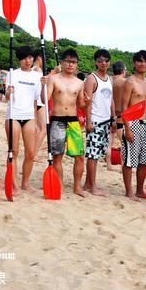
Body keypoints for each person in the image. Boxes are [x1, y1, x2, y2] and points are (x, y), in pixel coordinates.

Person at [47, 48, 88, 196]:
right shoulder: (54, 79)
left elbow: (81, 104)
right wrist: (44, 83)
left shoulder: (79, 82)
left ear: (76, 64)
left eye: (73, 62)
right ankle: (59, 186)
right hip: (57, 119)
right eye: (68, 61)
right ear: (62, 62)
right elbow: (45, 99)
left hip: (73, 121)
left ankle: (77, 187)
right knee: (58, 155)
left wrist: (87, 103)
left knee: (79, 156)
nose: (70, 65)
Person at [121, 50, 146, 200]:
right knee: (130, 160)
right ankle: (128, 191)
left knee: (144, 160)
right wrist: (127, 128)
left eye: (145, 61)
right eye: (139, 61)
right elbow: (124, 107)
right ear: (134, 63)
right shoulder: (130, 82)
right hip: (132, 123)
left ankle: (139, 190)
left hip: (145, 124)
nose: (142, 64)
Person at [5, 46, 43, 195]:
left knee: (31, 153)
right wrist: (8, 92)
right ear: (19, 59)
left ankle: (25, 183)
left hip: (29, 117)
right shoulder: (12, 74)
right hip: (13, 115)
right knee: (13, 152)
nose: (27, 61)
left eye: (30, 57)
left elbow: (37, 100)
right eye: (24, 58)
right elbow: (7, 97)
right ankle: (13, 184)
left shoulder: (37, 76)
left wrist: (44, 85)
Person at [83, 49, 116, 196]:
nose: (104, 63)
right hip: (95, 120)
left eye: (106, 60)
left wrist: (113, 118)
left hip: (105, 121)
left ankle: (87, 184)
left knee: (98, 153)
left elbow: (111, 100)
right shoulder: (91, 78)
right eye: (100, 60)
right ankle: (92, 186)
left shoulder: (109, 79)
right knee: (93, 155)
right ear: (96, 62)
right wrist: (88, 122)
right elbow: (87, 102)